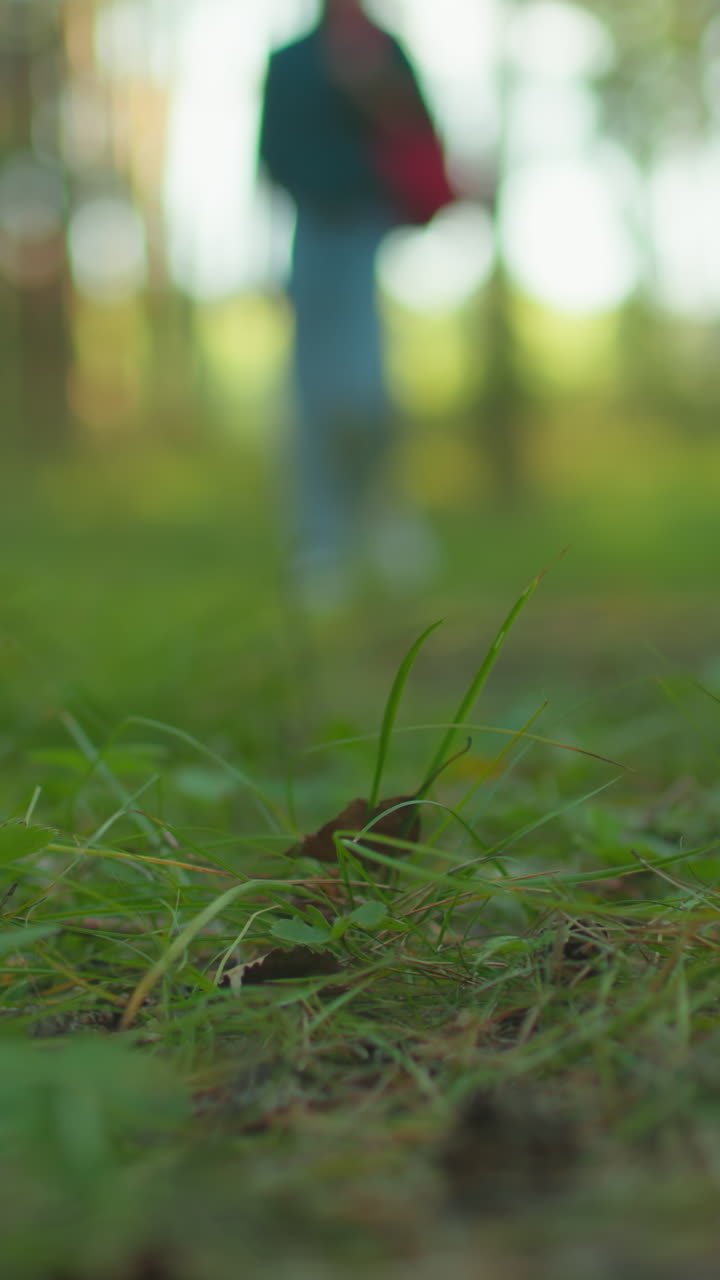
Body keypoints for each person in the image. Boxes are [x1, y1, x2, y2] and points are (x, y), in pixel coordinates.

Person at [259, 0, 445, 611]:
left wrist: (373, 89)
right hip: (312, 237)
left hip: (368, 234)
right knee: (315, 396)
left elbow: (422, 133)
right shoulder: (291, 62)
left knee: (366, 390)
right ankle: (322, 546)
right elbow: (271, 158)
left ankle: (385, 515)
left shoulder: (386, 51)